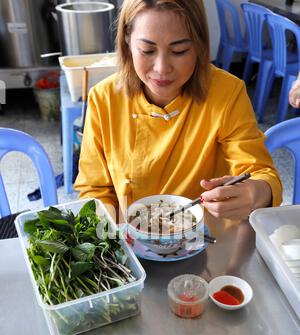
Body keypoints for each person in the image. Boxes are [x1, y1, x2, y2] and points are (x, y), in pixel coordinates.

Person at [75, 0, 282, 222]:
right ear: (126, 41)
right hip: (129, 239)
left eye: (179, 51)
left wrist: (256, 193)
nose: (162, 68)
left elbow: (261, 173)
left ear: (199, 45)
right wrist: (107, 230)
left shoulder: (226, 94)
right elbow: (94, 188)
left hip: (208, 238)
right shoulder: (104, 98)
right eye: (147, 50)